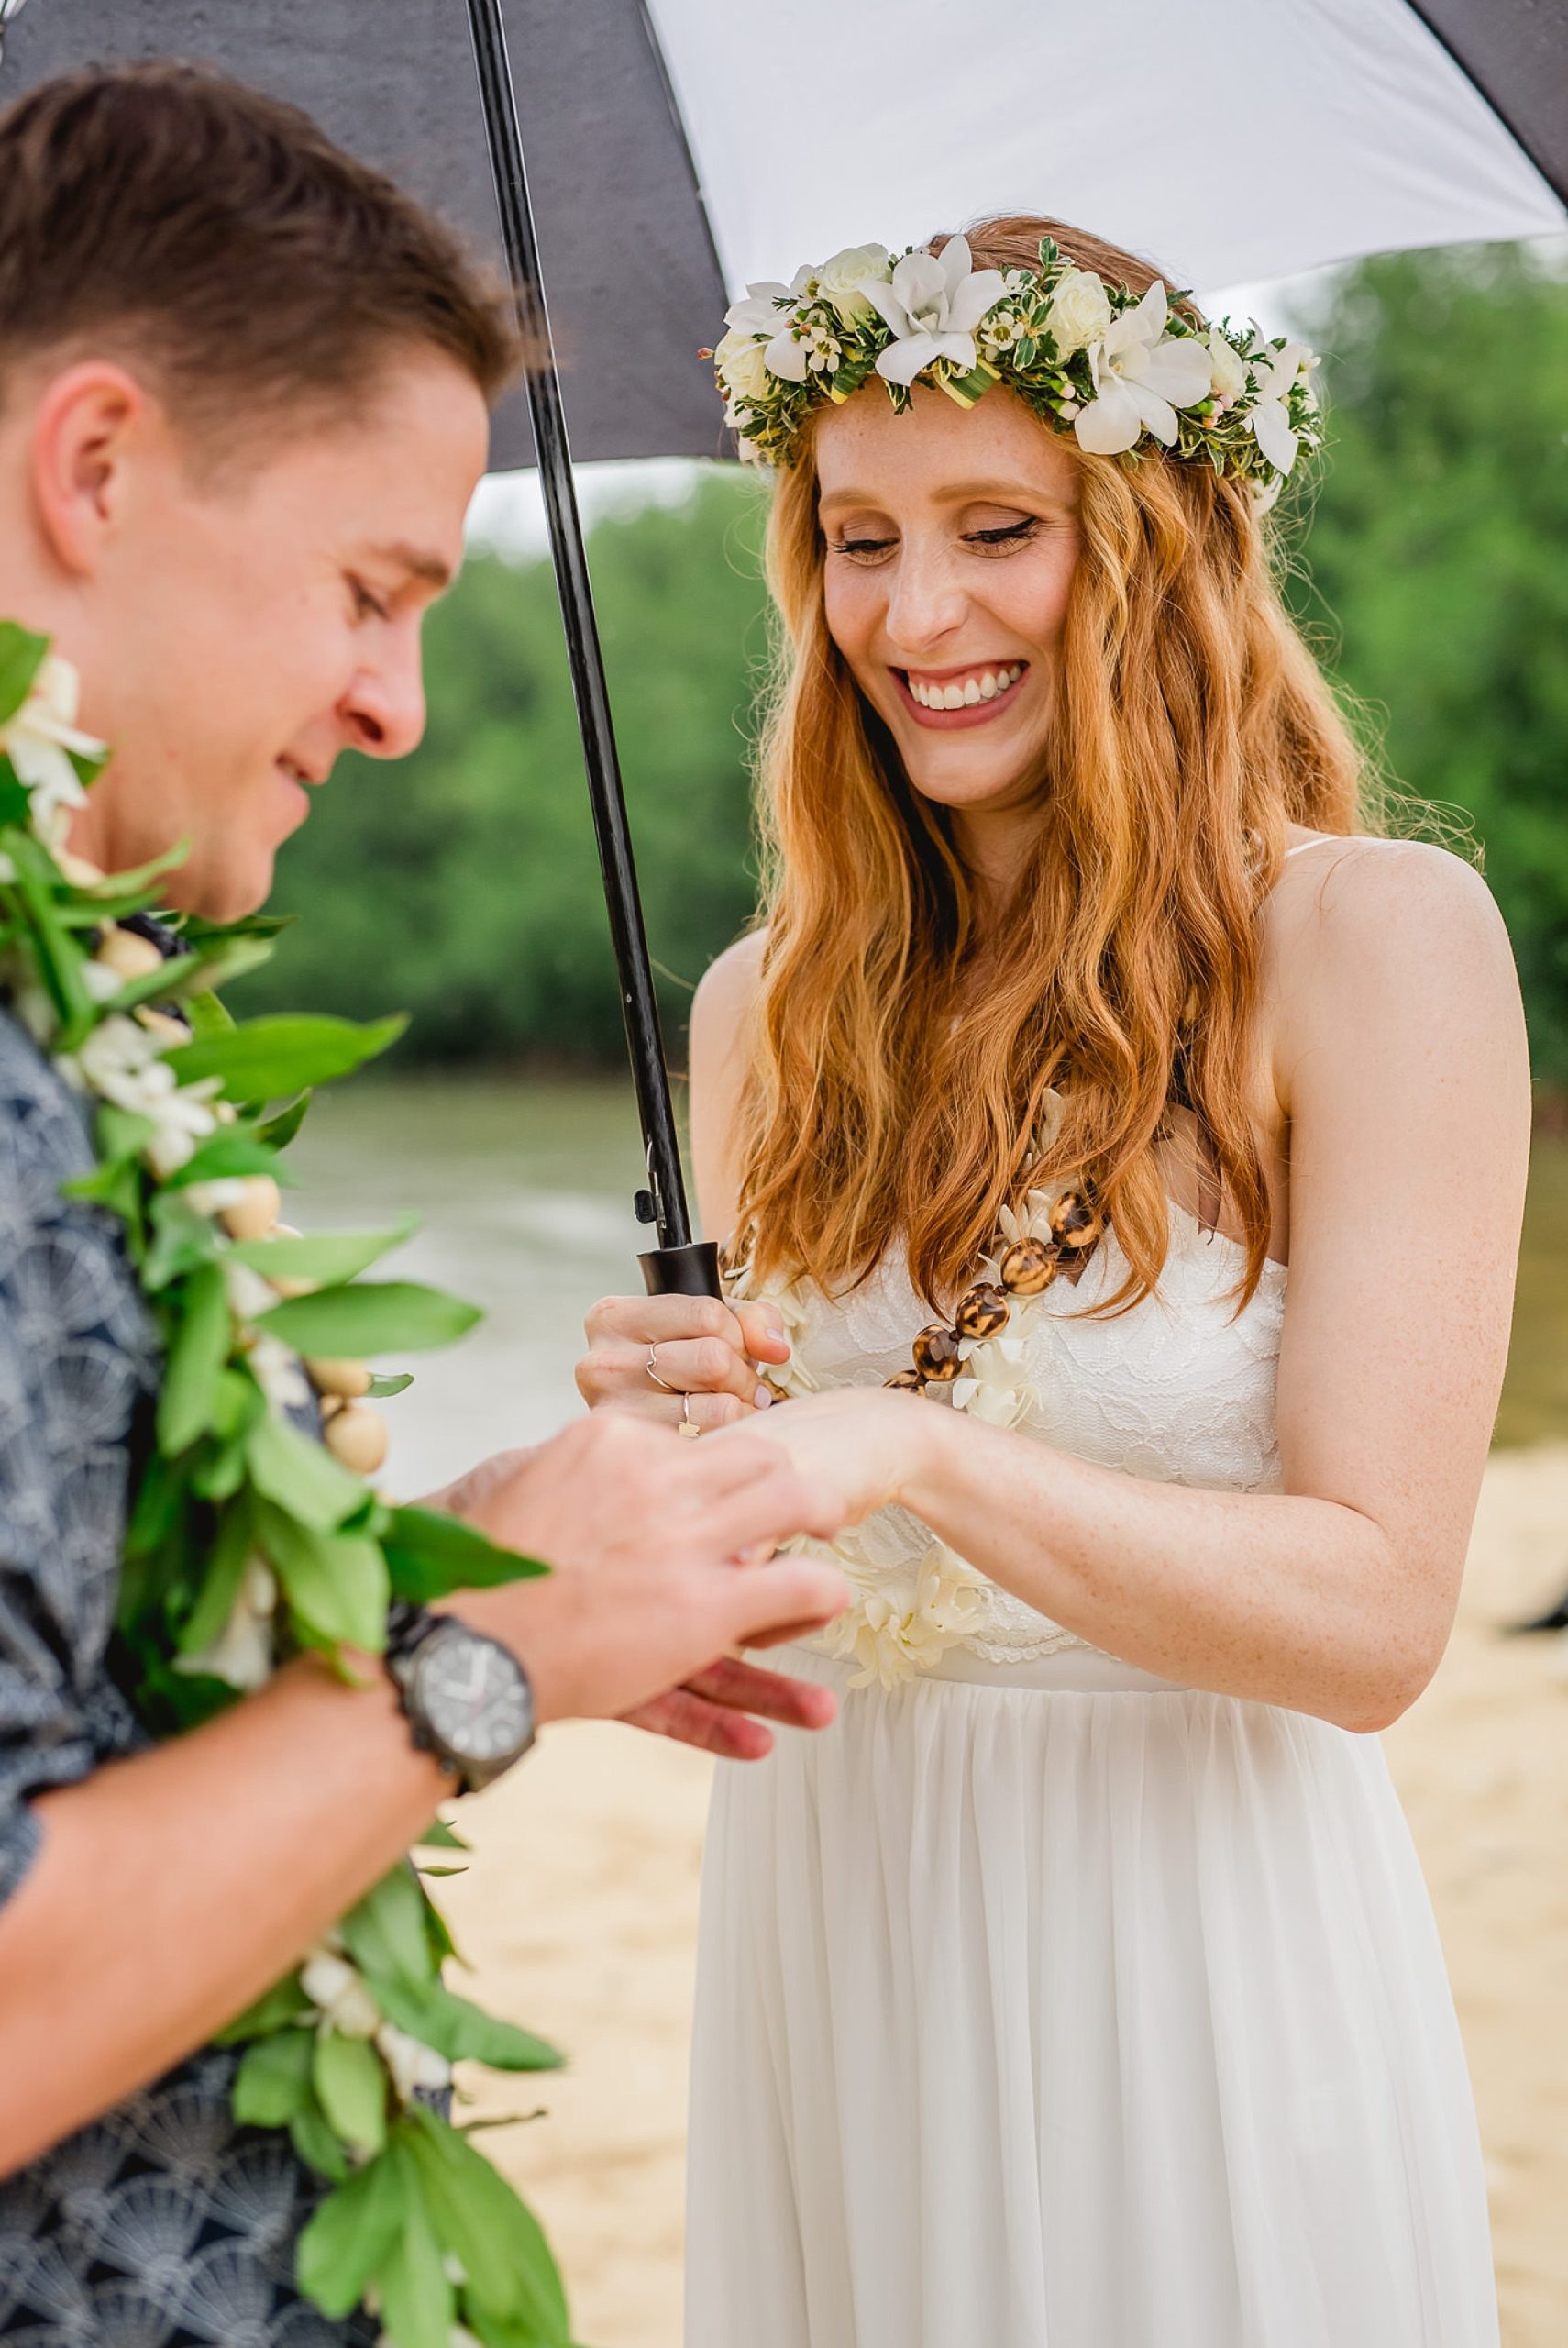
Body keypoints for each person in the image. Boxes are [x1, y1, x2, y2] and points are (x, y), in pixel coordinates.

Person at [577, 217, 1531, 2344]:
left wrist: (910, 1436)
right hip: (839, 1927)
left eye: (998, 526)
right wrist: (671, 1501)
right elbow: (786, 1591)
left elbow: (1376, 1620)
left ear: (1158, 540)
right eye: (855, 539)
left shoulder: (1379, 946)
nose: (917, 614)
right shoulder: (762, 1011)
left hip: (1191, 1943)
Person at [0, 63, 849, 2343]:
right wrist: (474, 1673)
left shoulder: (56, 1003)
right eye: (372, 588)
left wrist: (461, 1565)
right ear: (93, 466)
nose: (395, 707)